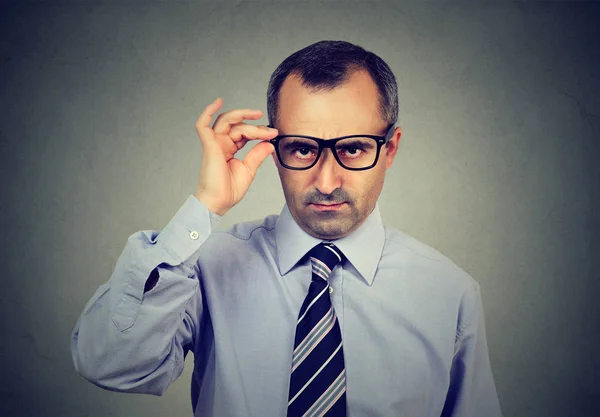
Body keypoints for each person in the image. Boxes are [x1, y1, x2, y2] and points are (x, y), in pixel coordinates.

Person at [71, 40, 502, 416]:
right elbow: (110, 364)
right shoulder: (203, 268)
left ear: (389, 149)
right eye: (301, 149)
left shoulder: (450, 293)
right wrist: (203, 208)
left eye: (353, 149)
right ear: (273, 151)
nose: (327, 181)